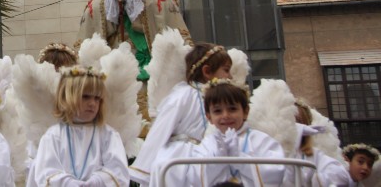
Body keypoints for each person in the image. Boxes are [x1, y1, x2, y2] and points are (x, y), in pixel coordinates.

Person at [130, 43, 232, 186]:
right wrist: (145, 169)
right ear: (207, 71)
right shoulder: (183, 95)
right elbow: (161, 130)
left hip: (211, 158)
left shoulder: (223, 100)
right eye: (226, 70)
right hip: (180, 160)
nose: (230, 76)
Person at [27, 65, 130, 186]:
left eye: (97, 98)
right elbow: (46, 171)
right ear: (67, 97)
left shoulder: (108, 135)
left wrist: (96, 182)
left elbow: (118, 170)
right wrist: (69, 183)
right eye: (85, 97)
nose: (92, 103)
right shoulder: (53, 135)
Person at [187, 79, 285, 187]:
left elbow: (275, 173)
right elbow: (195, 178)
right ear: (209, 117)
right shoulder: (206, 144)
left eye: (232, 109)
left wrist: (241, 160)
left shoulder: (261, 140)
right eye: (217, 111)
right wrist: (216, 161)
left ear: (245, 112)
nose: (225, 115)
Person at [281, 99, 349, 186]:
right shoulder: (272, 149)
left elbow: (340, 175)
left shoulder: (313, 155)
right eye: (289, 120)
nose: (294, 126)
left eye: (297, 121)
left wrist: (316, 179)